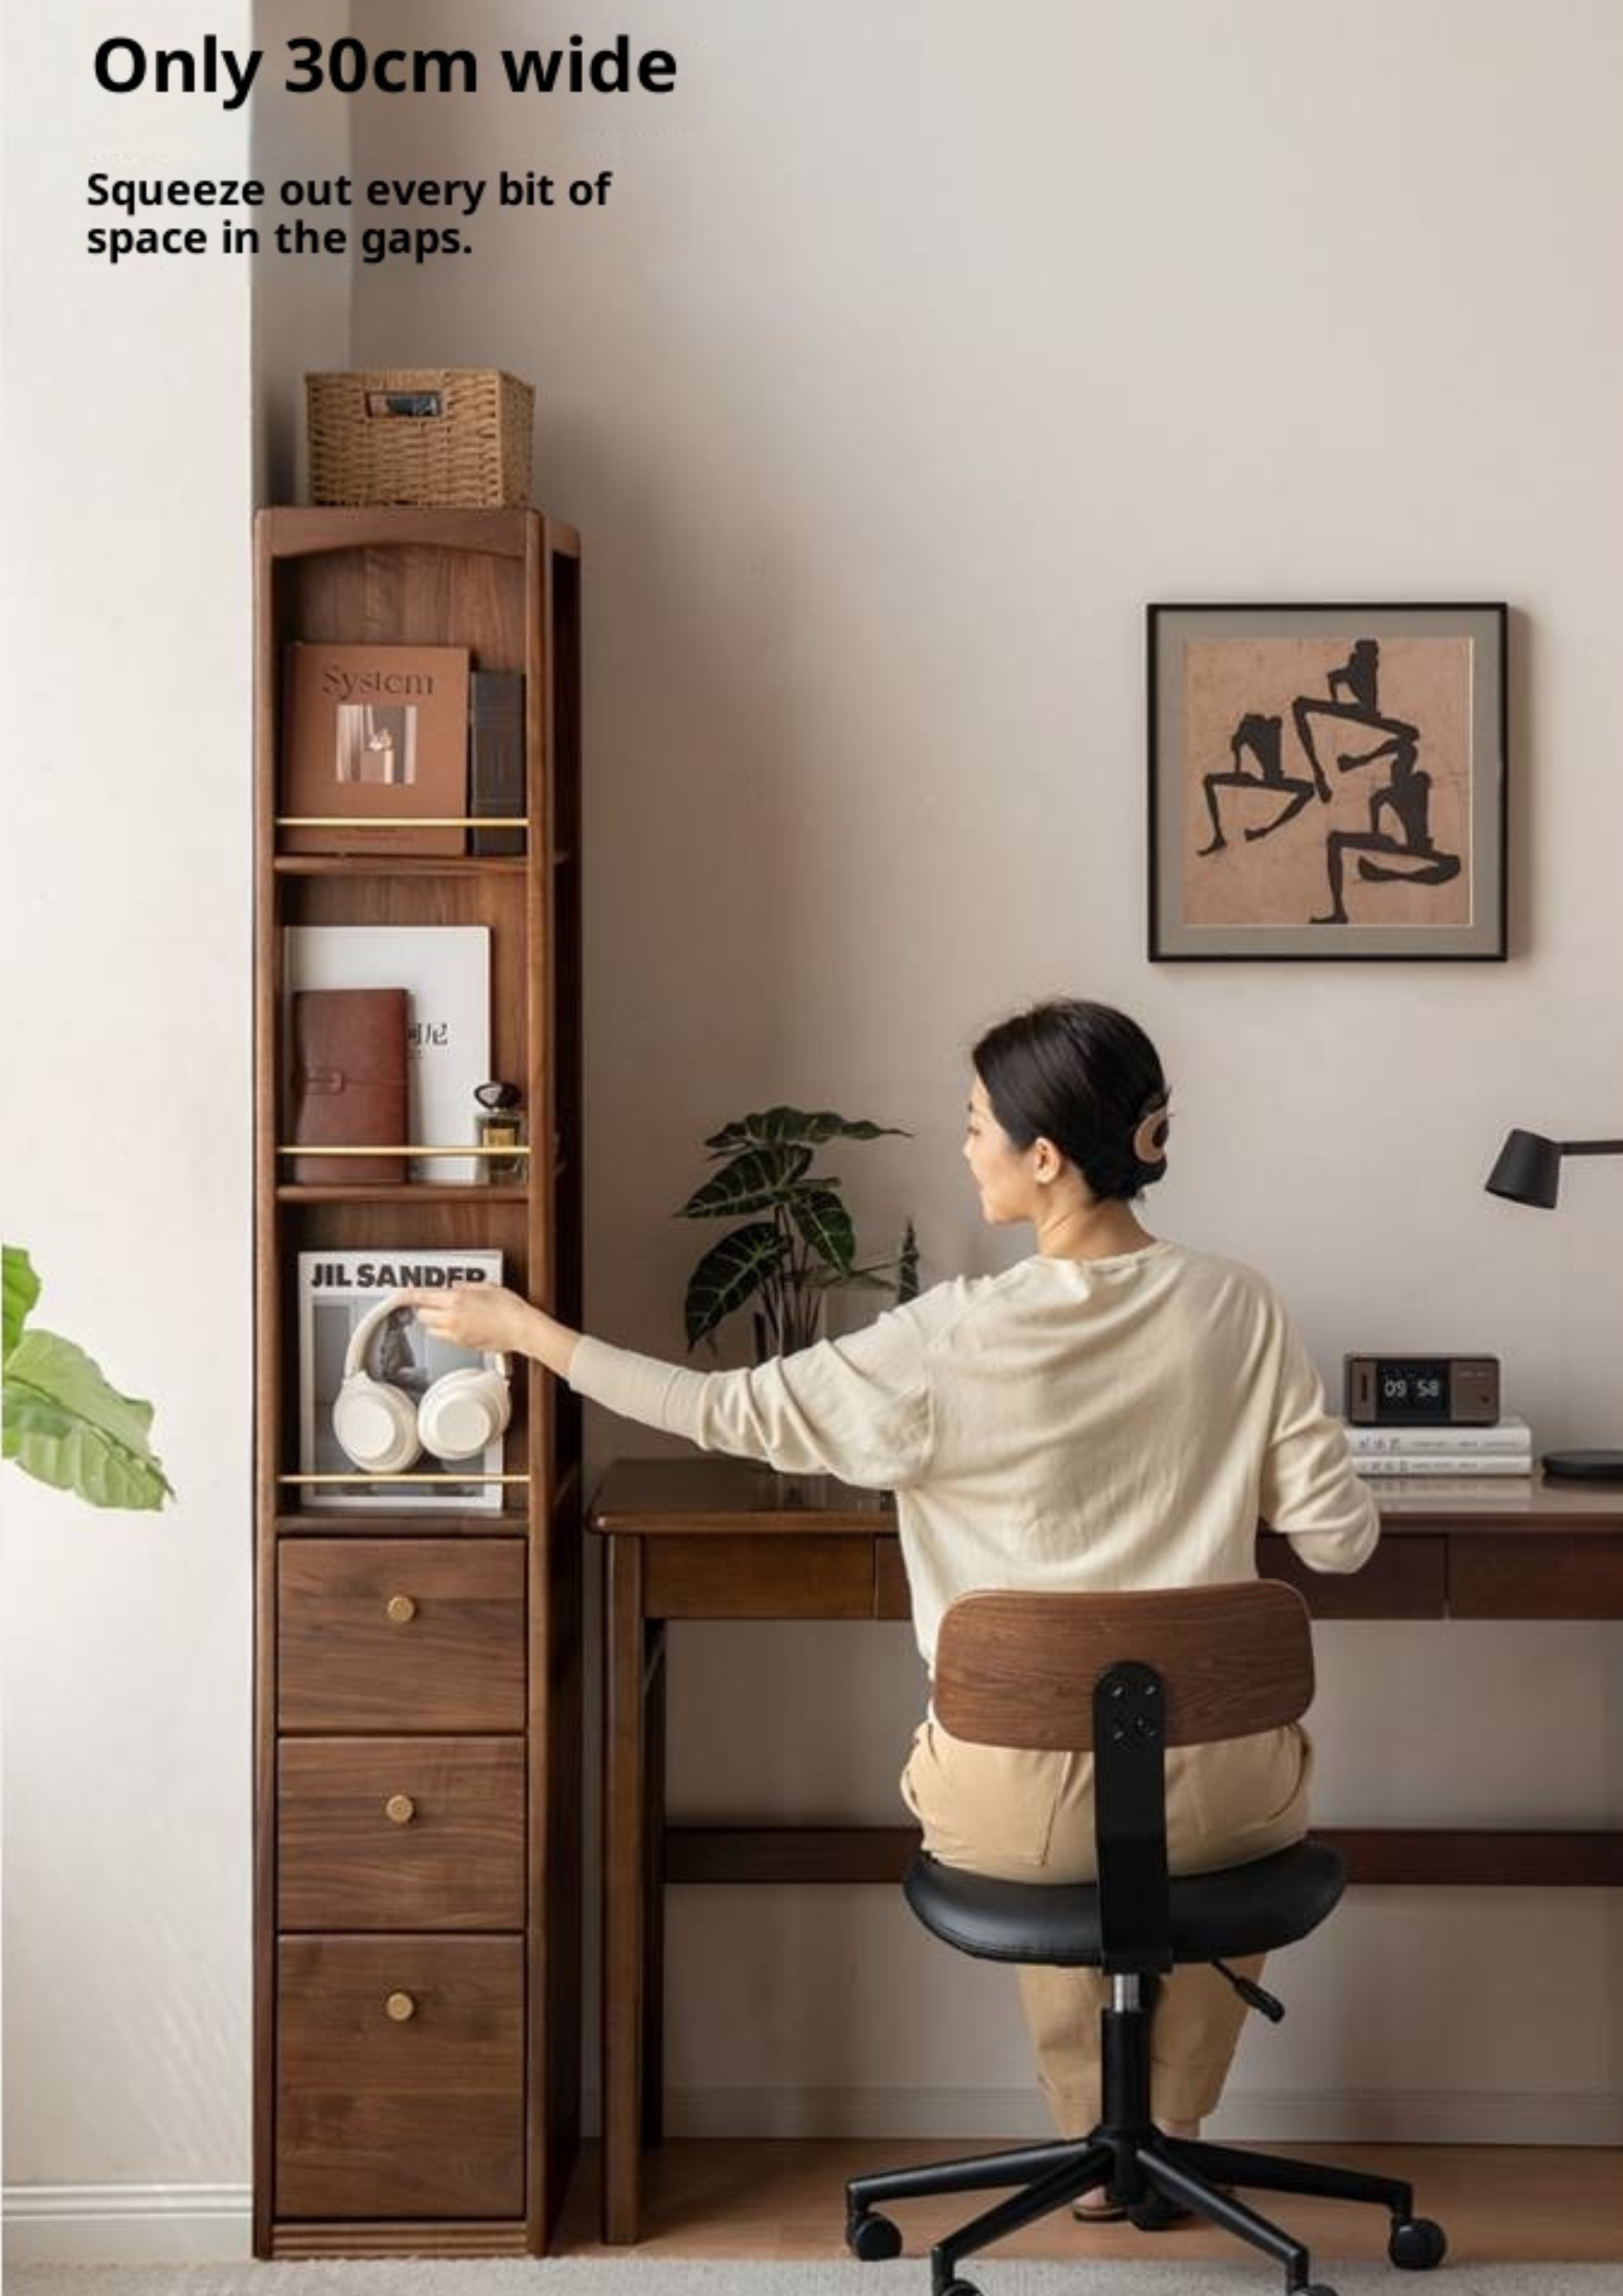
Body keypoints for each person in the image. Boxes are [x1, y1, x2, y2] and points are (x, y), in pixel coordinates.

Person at [403, 997, 1377, 2224]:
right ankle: (1167, 2130)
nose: (964, 1148)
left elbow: (726, 1411)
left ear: (1043, 1157)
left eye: (975, 1126)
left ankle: (1093, 2135)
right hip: (1228, 1801)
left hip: (1018, 1813)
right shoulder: (1241, 1305)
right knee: (1185, 1786)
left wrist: (528, 1334)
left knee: (1030, 1762)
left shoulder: (951, 1337)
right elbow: (1340, 1542)